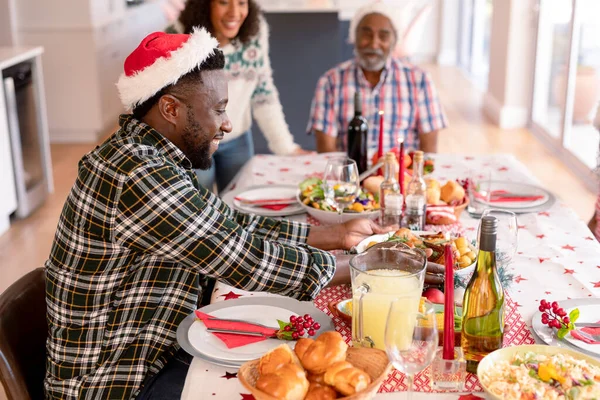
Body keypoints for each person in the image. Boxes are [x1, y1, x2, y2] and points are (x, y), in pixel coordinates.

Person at [44, 29, 404, 400]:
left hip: (153, 338)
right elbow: (241, 257)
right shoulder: (137, 174)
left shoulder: (148, 154)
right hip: (118, 380)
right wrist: (363, 267)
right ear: (171, 109)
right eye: (218, 109)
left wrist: (338, 235)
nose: (228, 123)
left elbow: (222, 223)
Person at [169, 0, 308, 192]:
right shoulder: (179, 37)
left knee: (239, 201)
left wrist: (286, 148)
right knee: (200, 207)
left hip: (237, 140)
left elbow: (263, 92)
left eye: (242, 2)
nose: (235, 12)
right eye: (224, 2)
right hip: (193, 143)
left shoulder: (255, 31)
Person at [307, 1, 448, 159]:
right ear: (354, 36)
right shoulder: (330, 82)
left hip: (401, 177)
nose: (374, 43)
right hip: (348, 177)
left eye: (383, 36)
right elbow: (327, 152)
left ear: (394, 41)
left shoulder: (420, 80)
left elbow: (428, 152)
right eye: (366, 34)